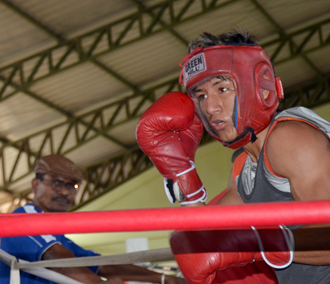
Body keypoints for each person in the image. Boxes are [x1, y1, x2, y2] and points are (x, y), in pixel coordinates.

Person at [136, 29, 330, 284]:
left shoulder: (290, 138)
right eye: (201, 95)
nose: (210, 107)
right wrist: (182, 174)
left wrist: (260, 242)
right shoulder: (243, 167)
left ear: (260, 87)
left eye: (222, 88)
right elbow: (209, 237)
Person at [0, 154, 186, 284]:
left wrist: (164, 279)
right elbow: (56, 258)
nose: (64, 191)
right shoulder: (21, 219)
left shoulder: (60, 239)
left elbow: (100, 264)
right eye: (56, 182)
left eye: (72, 186)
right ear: (35, 185)